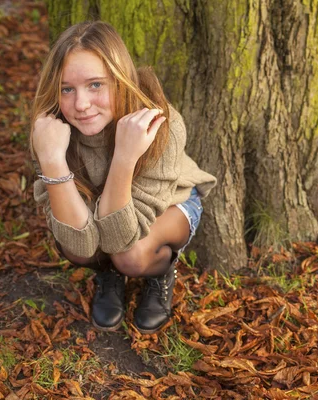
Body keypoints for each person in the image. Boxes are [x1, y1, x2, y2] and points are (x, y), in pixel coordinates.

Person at [30, 21, 217, 334]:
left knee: (129, 256)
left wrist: (126, 156)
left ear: (120, 80)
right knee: (77, 247)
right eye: (67, 88)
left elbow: (120, 240)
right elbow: (78, 242)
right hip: (102, 213)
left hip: (170, 204)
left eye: (95, 85)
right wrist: (51, 160)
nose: (81, 104)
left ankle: (159, 275)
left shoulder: (158, 123)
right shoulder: (49, 130)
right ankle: (108, 273)